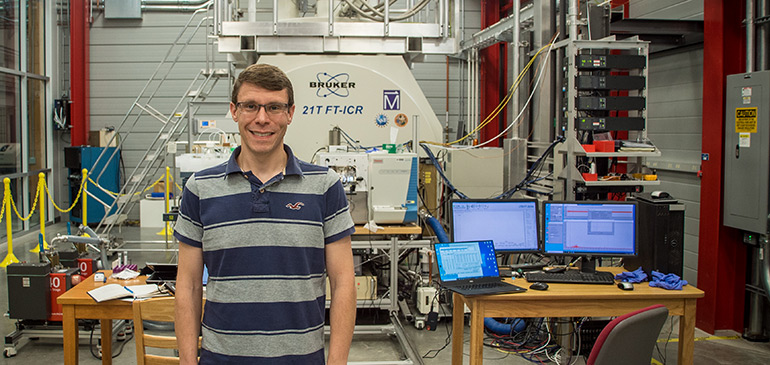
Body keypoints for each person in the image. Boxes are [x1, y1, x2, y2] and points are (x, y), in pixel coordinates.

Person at [174, 63, 357, 364]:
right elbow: (189, 285)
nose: (262, 119)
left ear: (290, 113)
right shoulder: (200, 188)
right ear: (234, 111)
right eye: (251, 106)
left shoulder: (324, 186)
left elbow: (343, 283)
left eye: (274, 107)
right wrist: (187, 360)